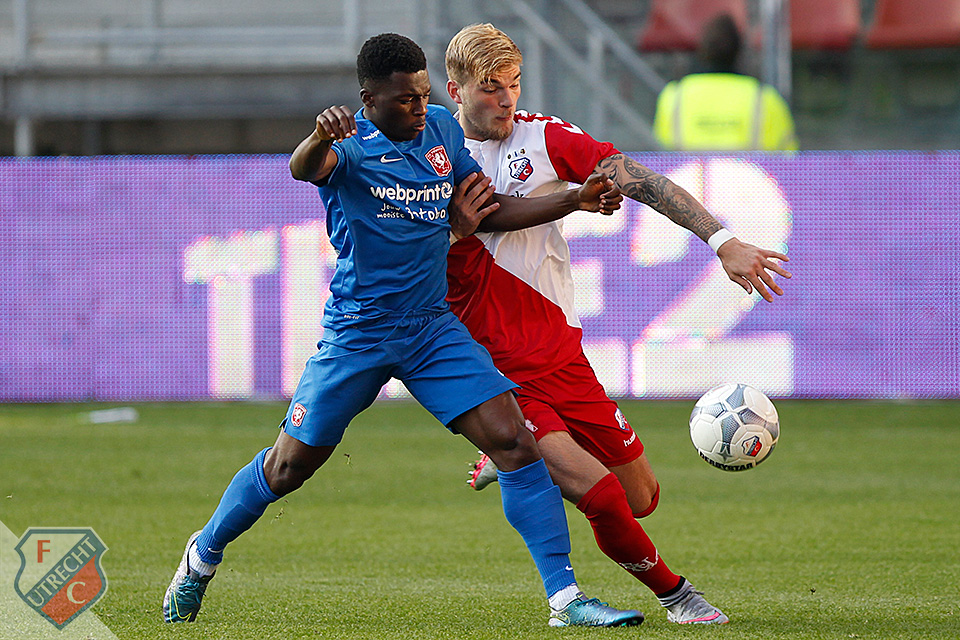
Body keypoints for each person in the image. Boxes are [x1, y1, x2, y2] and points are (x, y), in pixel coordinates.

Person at [162, 32, 646, 629]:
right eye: (405, 100)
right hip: (359, 334)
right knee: (289, 467)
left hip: (430, 330)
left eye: (423, 94)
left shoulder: (440, 129)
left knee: (514, 442)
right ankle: (202, 553)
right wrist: (318, 136)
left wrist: (573, 200)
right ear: (369, 100)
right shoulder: (348, 147)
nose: (420, 108)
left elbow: (489, 209)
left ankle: (565, 599)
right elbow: (302, 167)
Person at [443, 23, 792, 624]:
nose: (506, 100)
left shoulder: (543, 137)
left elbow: (637, 178)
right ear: (456, 90)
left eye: (514, 84)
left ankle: (511, 461)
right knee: (600, 495)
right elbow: (464, 222)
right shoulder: (431, 153)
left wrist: (722, 241)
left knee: (640, 496)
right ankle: (678, 597)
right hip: (490, 363)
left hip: (558, 351)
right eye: (491, 88)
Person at [652, 13, 799, 151]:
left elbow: (660, 154)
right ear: (739, 52)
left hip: (686, 171)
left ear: (702, 50)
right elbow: (788, 158)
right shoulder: (765, 98)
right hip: (750, 171)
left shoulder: (673, 96)